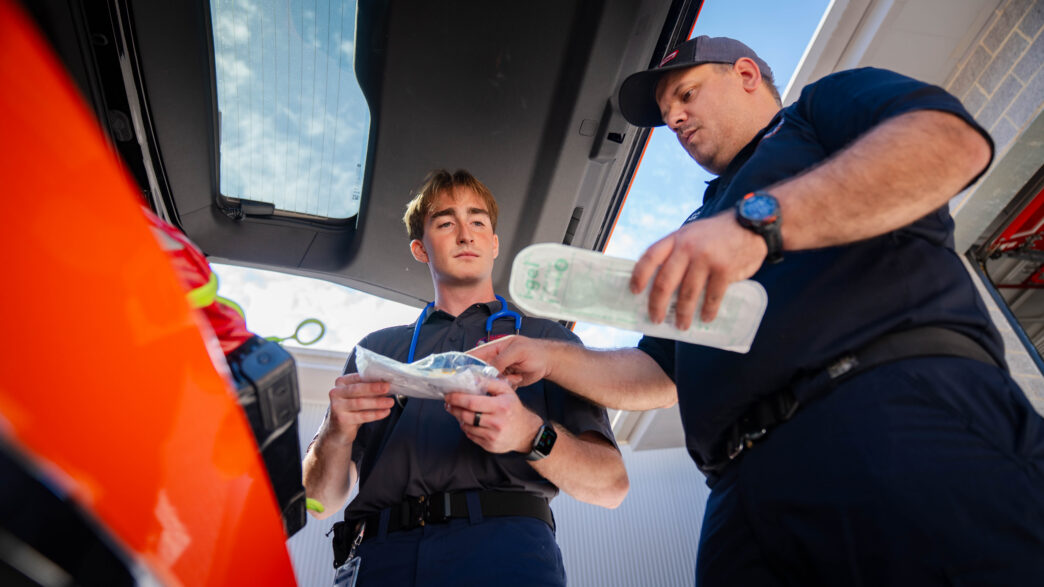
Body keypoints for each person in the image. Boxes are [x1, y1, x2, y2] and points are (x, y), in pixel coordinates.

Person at [471, 36, 1044, 585]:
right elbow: (660, 376)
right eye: (667, 112)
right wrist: (550, 355)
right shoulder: (700, 223)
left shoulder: (817, 113)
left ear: (746, 75)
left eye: (687, 95)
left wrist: (759, 224)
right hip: (739, 493)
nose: (674, 119)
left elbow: (948, 145)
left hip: (889, 413)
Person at [302, 169, 628, 586]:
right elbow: (318, 502)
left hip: (504, 554)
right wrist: (336, 431)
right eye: (445, 223)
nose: (465, 234)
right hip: (380, 559)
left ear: (494, 244)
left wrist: (530, 434)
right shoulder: (377, 350)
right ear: (420, 249)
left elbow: (611, 486)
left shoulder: (549, 342)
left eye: (478, 222)